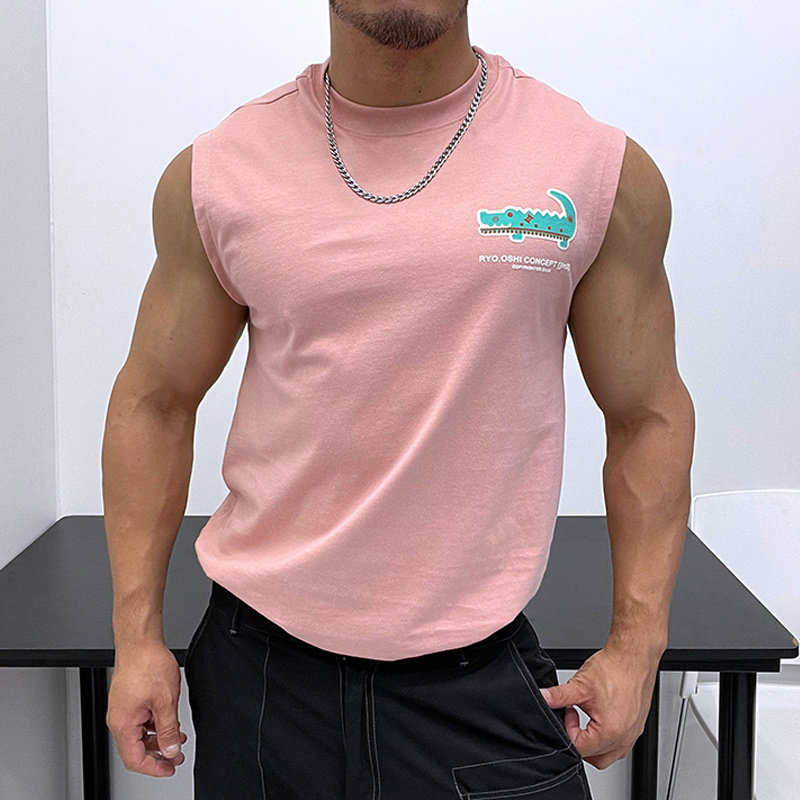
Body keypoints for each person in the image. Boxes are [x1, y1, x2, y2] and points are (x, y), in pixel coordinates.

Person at [102, 1, 695, 798]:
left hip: (476, 685)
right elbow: (155, 402)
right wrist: (136, 637)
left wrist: (638, 647)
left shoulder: (594, 169)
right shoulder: (219, 173)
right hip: (263, 679)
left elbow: (648, 415)